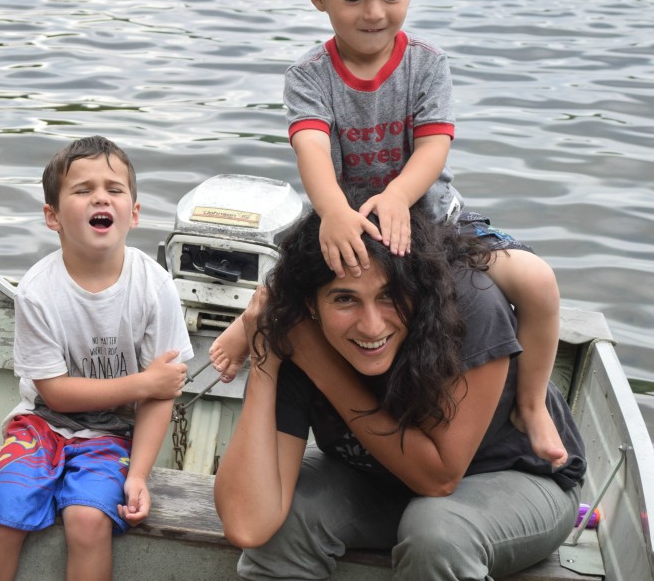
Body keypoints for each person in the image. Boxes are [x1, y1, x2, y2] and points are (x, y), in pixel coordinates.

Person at [209, 0, 567, 468]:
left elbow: (433, 146)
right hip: (344, 213)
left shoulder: (426, 64)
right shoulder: (309, 76)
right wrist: (331, 210)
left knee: (540, 283)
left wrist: (400, 194)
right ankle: (250, 319)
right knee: (293, 280)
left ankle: (530, 405)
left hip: (433, 220)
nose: (374, 12)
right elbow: (311, 147)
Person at [213, 198, 586, 580]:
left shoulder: (471, 306)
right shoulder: (297, 330)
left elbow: (439, 479)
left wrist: (320, 365)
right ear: (311, 304)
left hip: (517, 477)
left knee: (436, 533)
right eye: (345, 299)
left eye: (390, 295)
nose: (372, 327)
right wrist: (264, 355)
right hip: (380, 479)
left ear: (417, 288)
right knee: (285, 516)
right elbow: (248, 525)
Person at [0, 135, 193, 581]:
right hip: (41, 423)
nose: (100, 197)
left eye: (114, 188)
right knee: (1, 509)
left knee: (88, 519)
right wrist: (140, 384)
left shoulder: (155, 286)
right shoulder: (38, 289)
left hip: (113, 434)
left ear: (134, 212)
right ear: (52, 216)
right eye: (82, 189)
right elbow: (54, 392)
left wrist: (140, 476)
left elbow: (162, 394)